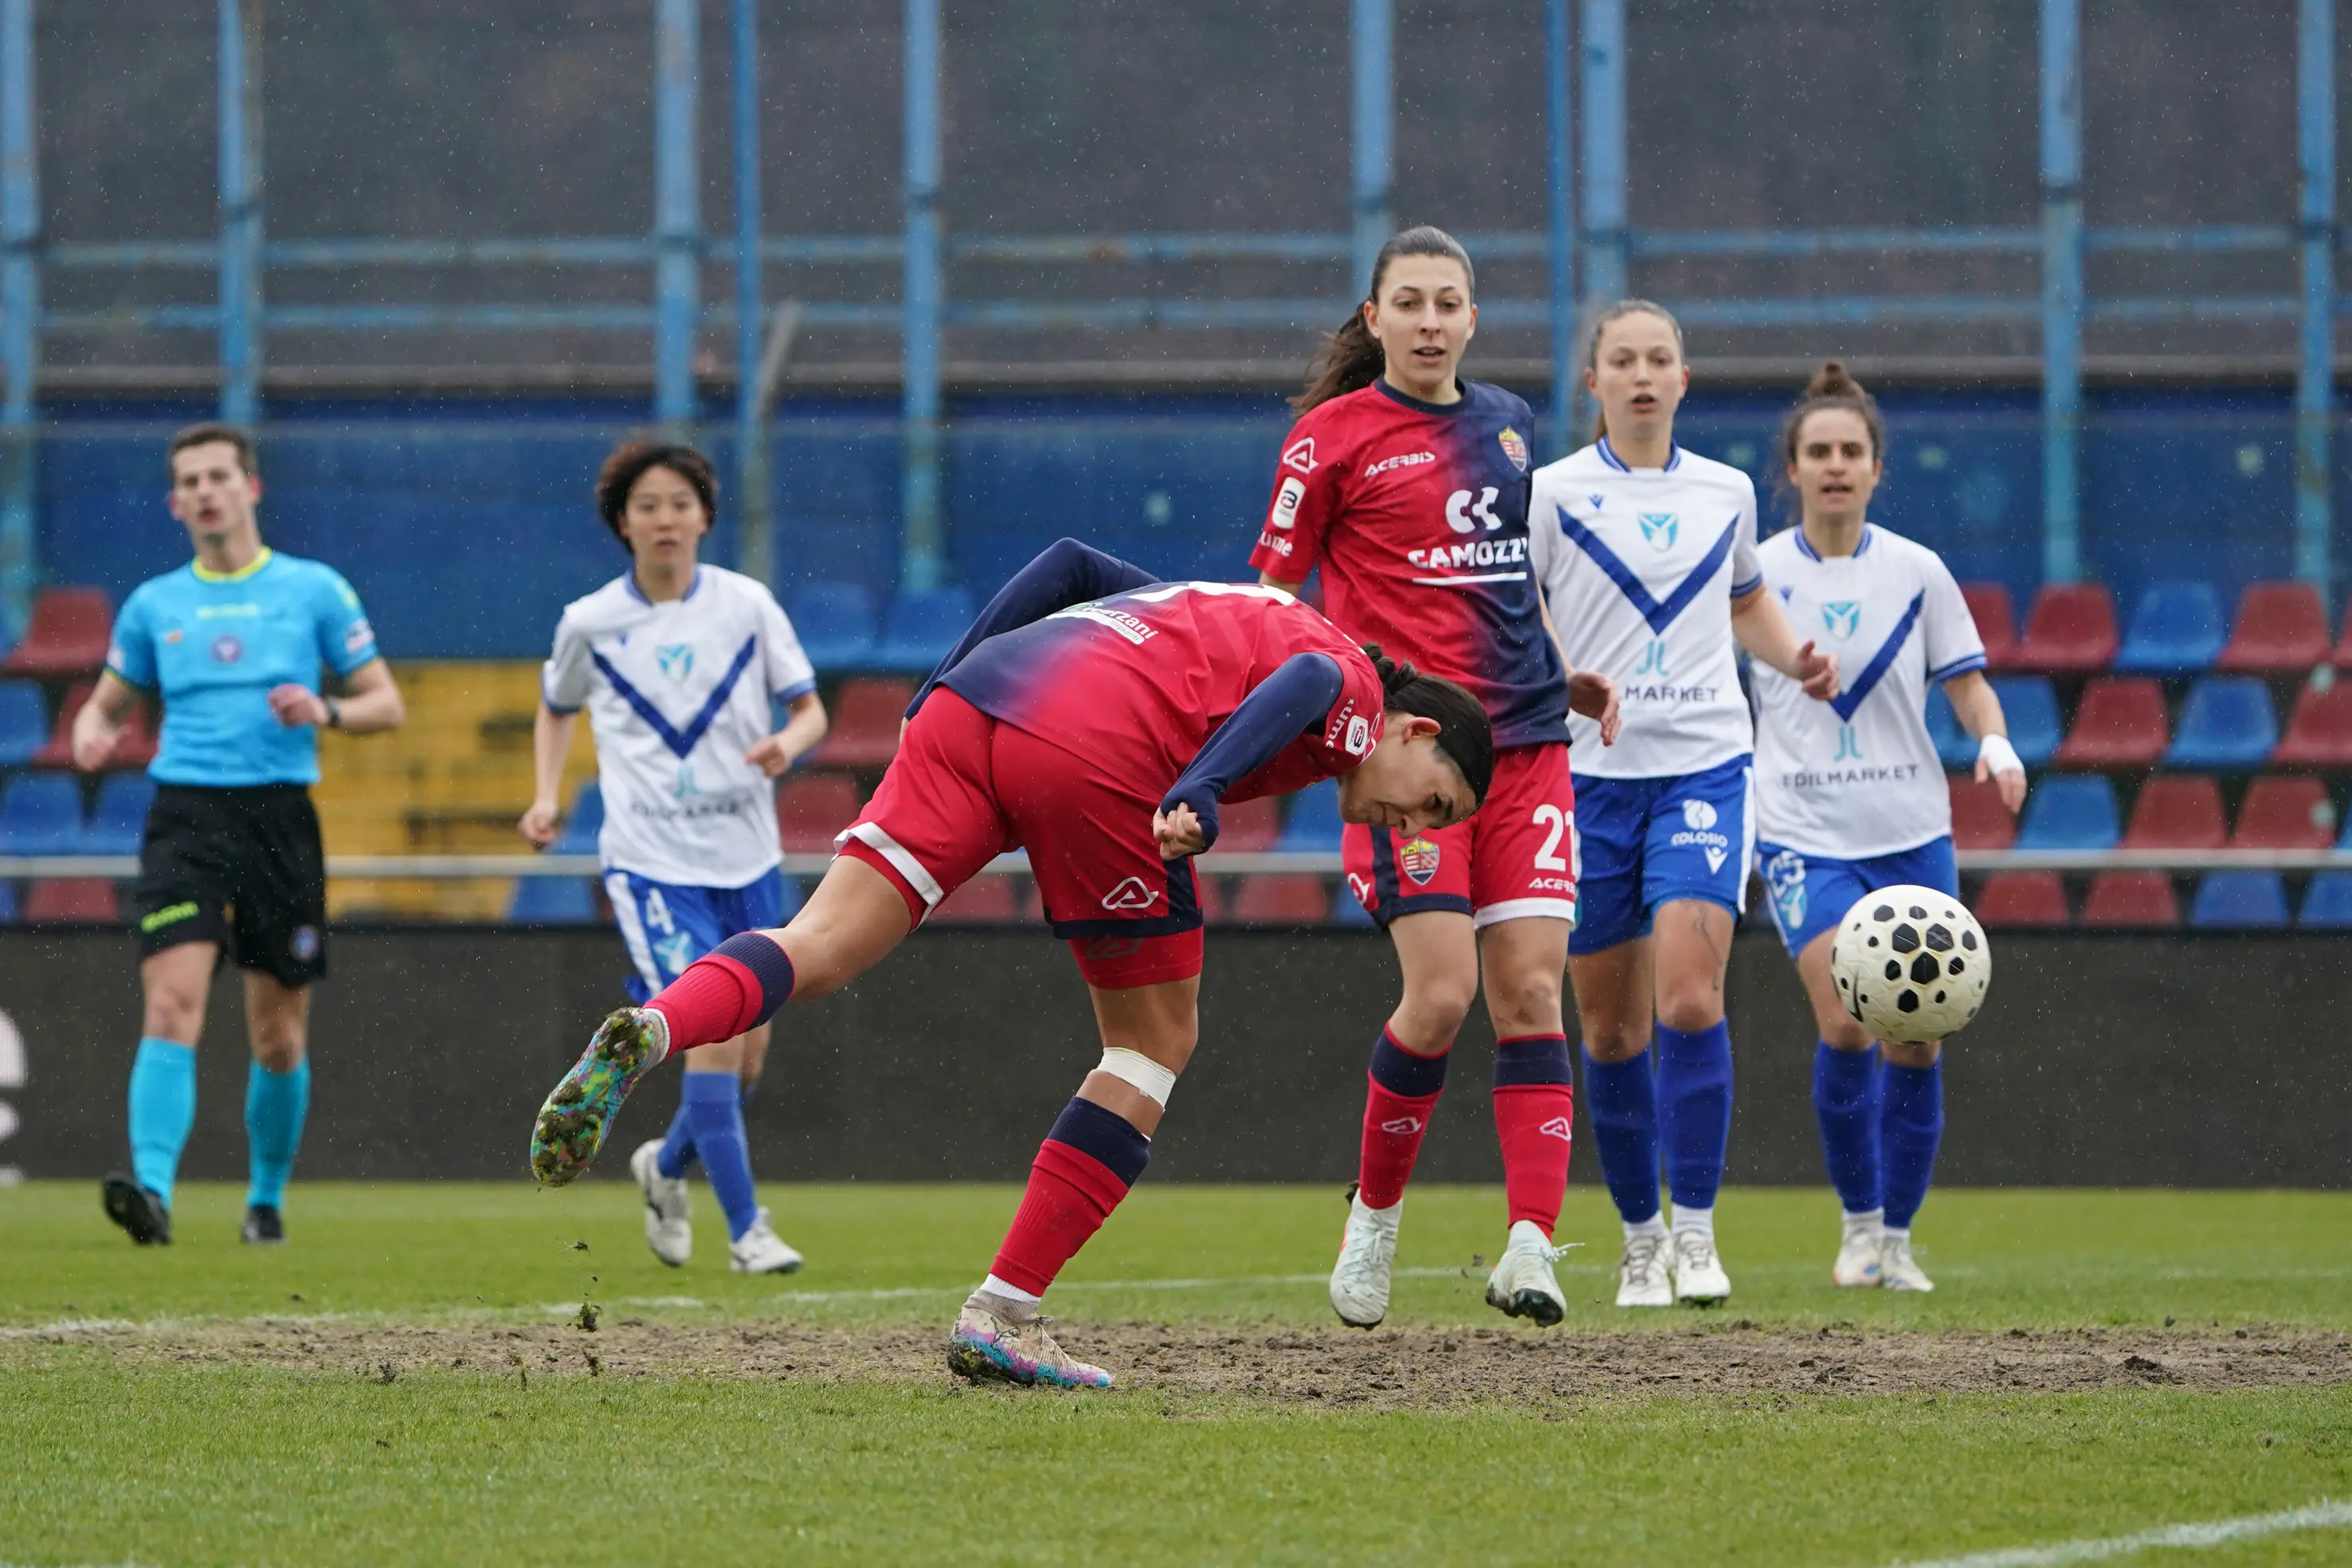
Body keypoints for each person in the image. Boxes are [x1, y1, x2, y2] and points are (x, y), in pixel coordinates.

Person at [527, 539, 1495, 1388]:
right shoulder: (1358, 690)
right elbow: (1311, 692)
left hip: (977, 701)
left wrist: (935, 686)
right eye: (1434, 802)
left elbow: (1072, 563)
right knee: (1154, 1042)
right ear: (1418, 733)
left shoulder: (1228, 612)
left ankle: (656, 1026)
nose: (1411, 825)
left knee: (817, 948)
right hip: (1100, 752)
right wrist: (1199, 786)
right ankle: (1001, 1317)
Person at [1252, 225, 1621, 1332]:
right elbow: (1270, 599)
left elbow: (1513, 583)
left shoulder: (1508, 427)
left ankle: (1530, 1248)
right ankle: (1373, 1222)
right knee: (1443, 994)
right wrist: (1326, 721)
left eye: (1445, 302)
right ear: (1374, 319)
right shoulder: (1329, 440)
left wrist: (1565, 670)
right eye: (1406, 302)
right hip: (1409, 759)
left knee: (1527, 993)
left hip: (1529, 748)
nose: (1426, 321)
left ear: (1471, 317)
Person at [1525, 300, 1840, 1307]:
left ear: (1684, 378)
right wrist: (1563, 676)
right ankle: (1640, 1239)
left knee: (1691, 998)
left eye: (1660, 358)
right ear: (1596, 385)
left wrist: (1797, 656)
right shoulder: (1552, 493)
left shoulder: (1728, 491)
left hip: (1706, 762)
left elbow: (1746, 598)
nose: (1644, 375)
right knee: (1611, 1030)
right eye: (1624, 360)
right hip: (1585, 778)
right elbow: (1521, 609)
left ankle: (1699, 1233)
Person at [76, 422, 406, 1246]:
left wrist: (323, 708)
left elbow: (385, 703)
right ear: (174, 502)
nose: (205, 491)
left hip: (279, 818)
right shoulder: (155, 604)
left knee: (277, 1032)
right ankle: (151, 1195)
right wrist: (89, 728)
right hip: (186, 816)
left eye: (219, 476)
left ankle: (265, 1199)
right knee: (171, 1004)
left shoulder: (315, 590)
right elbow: (107, 703)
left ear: (251, 488)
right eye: (189, 481)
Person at [519, 440, 828, 1275]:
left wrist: (786, 744)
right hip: (652, 863)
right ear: (622, 521)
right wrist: (547, 795)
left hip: (749, 859)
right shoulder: (590, 622)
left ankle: (662, 1166)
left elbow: (811, 711)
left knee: (751, 1050)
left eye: (680, 503)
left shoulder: (748, 605)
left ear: (705, 516)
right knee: (717, 1040)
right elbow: (556, 706)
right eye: (647, 504)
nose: (665, 518)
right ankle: (747, 1231)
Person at [1750, 363, 2025, 1293]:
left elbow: (1969, 682)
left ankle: (1897, 1239)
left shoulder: (1918, 571)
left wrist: (1995, 744)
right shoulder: (1755, 575)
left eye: (1851, 452)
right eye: (1818, 451)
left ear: (1877, 469)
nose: (1835, 465)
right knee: (1845, 1014)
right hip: (1801, 831)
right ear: (1791, 468)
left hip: (1911, 830)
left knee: (1917, 1036)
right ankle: (1858, 1227)